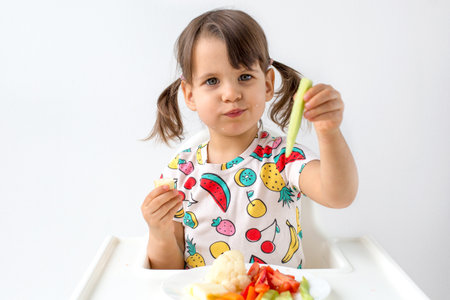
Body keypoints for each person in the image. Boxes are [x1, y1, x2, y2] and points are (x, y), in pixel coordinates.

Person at [141, 9, 358, 270]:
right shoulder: (180, 173)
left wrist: (329, 132)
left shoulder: (285, 159)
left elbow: (339, 195)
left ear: (267, 84)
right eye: (212, 81)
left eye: (244, 77)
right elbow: (168, 272)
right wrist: (159, 231)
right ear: (189, 95)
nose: (231, 94)